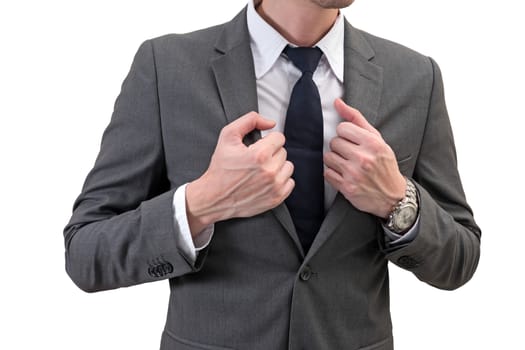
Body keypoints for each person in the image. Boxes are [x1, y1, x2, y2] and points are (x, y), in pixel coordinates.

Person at [63, 0, 481, 349]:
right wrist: (200, 204)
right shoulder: (165, 67)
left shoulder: (415, 77)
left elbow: (460, 259)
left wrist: (397, 200)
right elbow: (86, 253)